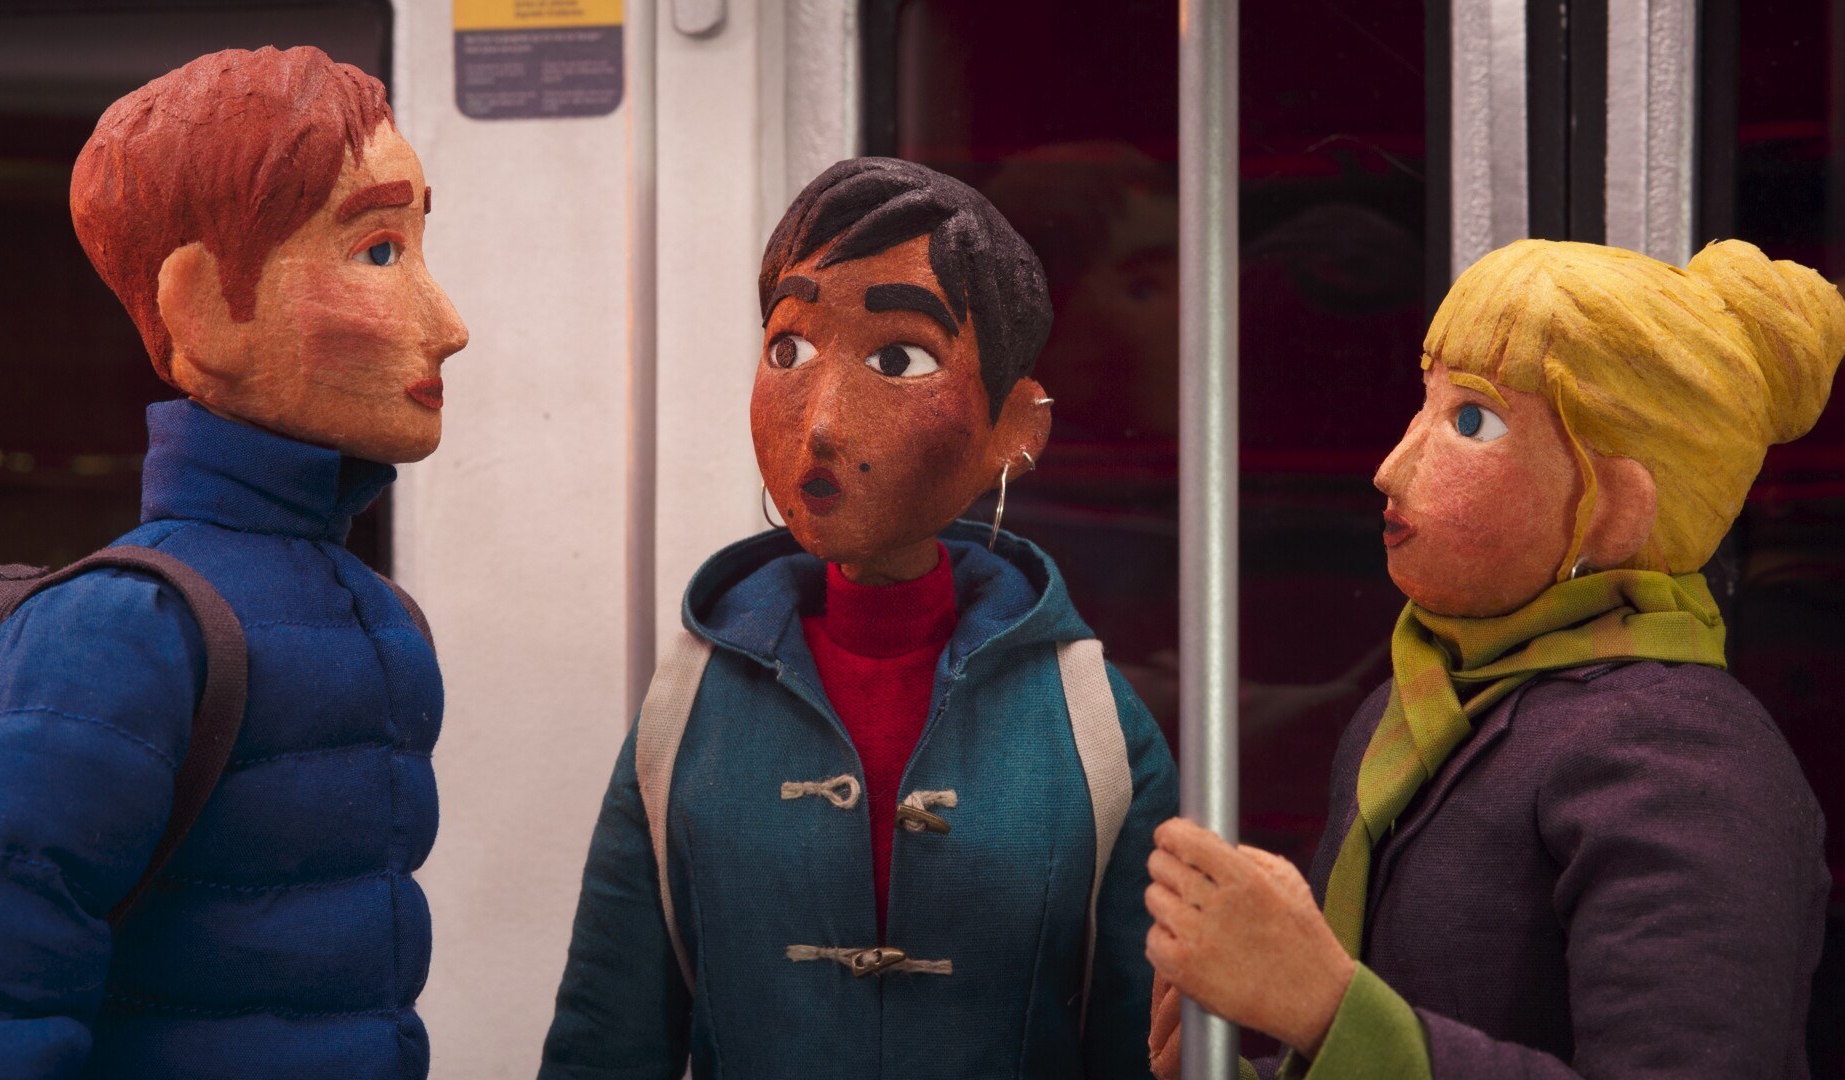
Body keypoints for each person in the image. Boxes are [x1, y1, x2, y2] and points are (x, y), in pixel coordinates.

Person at [539, 157, 1177, 1079]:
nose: (823, 422)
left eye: (899, 359)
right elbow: (607, 1035)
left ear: (1015, 429)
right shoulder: (687, 709)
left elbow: (1142, 1048)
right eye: (788, 351)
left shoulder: (1093, 725)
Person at [1145, 239, 1840, 1079]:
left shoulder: (1686, 758)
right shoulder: (1416, 704)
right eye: (1425, 403)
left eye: (1472, 421)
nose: (1390, 467)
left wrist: (1325, 1010)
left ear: (1616, 509)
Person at [0, 46, 467, 1079]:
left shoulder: (381, 617)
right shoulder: (123, 627)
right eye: (379, 252)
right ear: (206, 308)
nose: (450, 328)